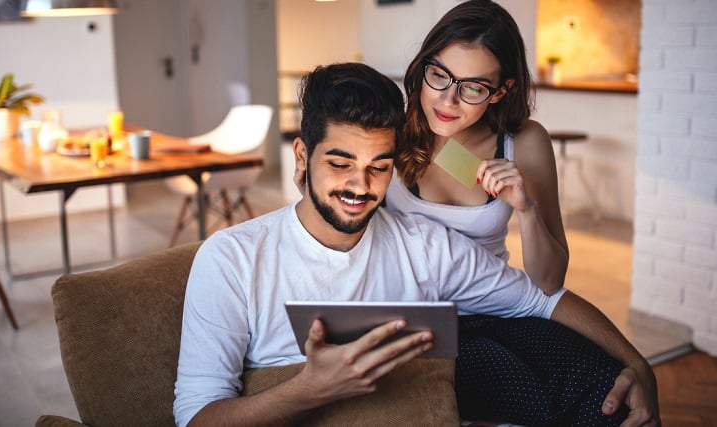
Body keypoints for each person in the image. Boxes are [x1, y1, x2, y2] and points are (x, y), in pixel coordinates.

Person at [173, 62, 659, 427]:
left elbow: (543, 298)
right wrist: (308, 390)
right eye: (340, 163)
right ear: (302, 156)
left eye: (378, 167)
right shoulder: (232, 259)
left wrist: (637, 363)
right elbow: (196, 417)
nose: (359, 186)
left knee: (590, 381)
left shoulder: (424, 246)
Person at [388, 0, 567, 294]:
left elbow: (550, 282)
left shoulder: (524, 142)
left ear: (500, 91)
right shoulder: (390, 130)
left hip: (489, 304)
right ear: (423, 67)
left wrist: (527, 211)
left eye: (472, 87)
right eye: (439, 75)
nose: (448, 100)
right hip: (404, 305)